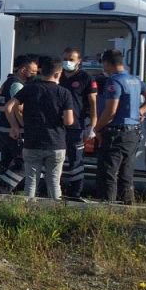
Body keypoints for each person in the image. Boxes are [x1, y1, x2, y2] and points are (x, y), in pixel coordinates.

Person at [5, 56, 75, 199]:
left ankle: (28, 209)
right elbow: (69, 121)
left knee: (31, 181)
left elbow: (9, 107)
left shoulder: (30, 88)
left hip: (32, 142)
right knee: (54, 182)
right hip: (56, 143)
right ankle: (55, 209)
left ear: (42, 72)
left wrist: (14, 126)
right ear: (58, 74)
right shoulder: (64, 93)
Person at [93, 49, 146, 205]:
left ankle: (107, 208)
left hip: (116, 134)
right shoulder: (135, 80)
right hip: (133, 133)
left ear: (107, 63)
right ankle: (127, 207)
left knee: (108, 173)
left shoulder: (114, 81)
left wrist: (97, 128)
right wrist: (141, 110)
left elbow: (110, 111)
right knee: (126, 174)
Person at [58, 47, 98, 198]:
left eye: (71, 59)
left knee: (76, 159)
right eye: (65, 59)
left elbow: (92, 102)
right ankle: (54, 190)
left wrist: (92, 124)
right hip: (57, 125)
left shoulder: (86, 78)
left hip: (76, 126)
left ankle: (75, 192)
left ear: (79, 61)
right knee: (56, 158)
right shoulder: (58, 75)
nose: (67, 62)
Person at [0, 55, 37, 193]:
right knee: (23, 163)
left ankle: (3, 194)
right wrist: (23, 126)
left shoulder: (7, 82)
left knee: (7, 163)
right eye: (33, 71)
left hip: (3, 128)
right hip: (13, 131)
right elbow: (18, 108)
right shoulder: (17, 85)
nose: (35, 74)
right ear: (23, 69)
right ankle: (2, 190)